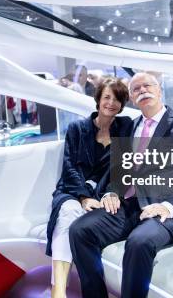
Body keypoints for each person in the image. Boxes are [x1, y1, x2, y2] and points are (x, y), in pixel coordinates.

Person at [69, 72, 173, 298]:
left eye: (147, 86)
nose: (142, 90)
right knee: (79, 230)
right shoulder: (129, 127)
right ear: (132, 98)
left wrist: (168, 208)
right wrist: (112, 192)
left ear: (159, 90)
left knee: (138, 243)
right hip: (128, 206)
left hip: (163, 211)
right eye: (136, 89)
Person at [46, 77, 132, 298]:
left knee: (78, 222)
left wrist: (111, 191)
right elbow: (69, 167)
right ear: (98, 99)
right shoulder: (77, 128)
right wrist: (83, 197)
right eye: (107, 97)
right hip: (73, 189)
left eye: (118, 99)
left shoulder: (125, 127)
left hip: (102, 194)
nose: (111, 103)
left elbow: (125, 164)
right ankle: (59, 290)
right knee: (68, 212)